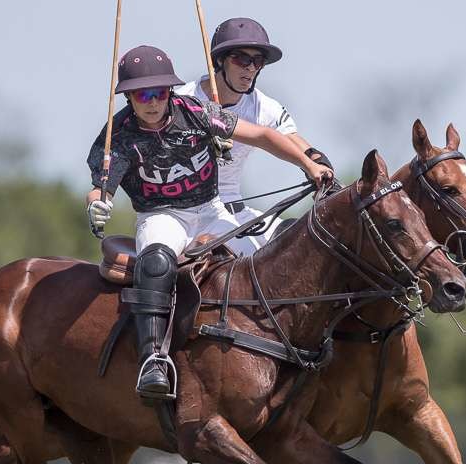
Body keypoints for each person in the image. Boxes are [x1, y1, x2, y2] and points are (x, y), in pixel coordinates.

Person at [85, 45, 332, 402]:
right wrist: (98, 205)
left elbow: (263, 136)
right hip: (160, 214)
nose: (152, 102)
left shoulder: (197, 112)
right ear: (129, 97)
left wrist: (308, 165)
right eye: (142, 94)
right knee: (156, 261)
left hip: (209, 209)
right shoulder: (118, 134)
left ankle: (290, 346)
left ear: (171, 91)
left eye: (159, 92)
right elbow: (99, 190)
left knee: (262, 262)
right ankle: (153, 358)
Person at [176, 17, 333, 252]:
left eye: (258, 61)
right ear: (219, 60)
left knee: (303, 248)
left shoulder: (264, 106)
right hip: (187, 216)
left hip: (235, 211)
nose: (250, 67)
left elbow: (291, 138)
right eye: (242, 59)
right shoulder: (181, 100)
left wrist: (317, 162)